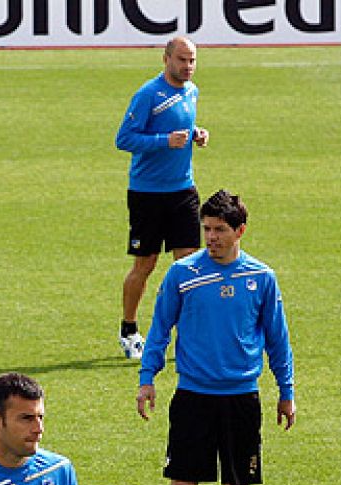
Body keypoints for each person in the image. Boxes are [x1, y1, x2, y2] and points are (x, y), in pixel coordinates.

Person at [136, 189, 295, 485]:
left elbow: (278, 339)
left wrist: (286, 392)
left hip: (241, 398)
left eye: (220, 230)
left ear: (240, 230)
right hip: (192, 396)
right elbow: (159, 328)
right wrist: (147, 376)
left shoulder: (261, 277)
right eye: (206, 229)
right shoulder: (183, 274)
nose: (211, 237)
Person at [114, 36, 209, 360]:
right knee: (146, 263)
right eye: (182, 60)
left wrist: (196, 133)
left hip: (183, 189)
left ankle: (189, 333)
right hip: (147, 193)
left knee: (188, 263)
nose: (188, 67)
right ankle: (129, 329)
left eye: (192, 60)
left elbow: (184, 123)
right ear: (166, 59)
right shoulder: (148, 95)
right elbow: (124, 139)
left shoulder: (192, 91)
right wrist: (163, 140)